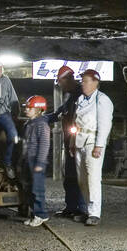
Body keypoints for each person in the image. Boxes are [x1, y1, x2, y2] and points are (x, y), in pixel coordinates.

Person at [73, 68, 113, 226]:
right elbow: (75, 122)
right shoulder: (81, 99)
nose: (82, 83)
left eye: (85, 81)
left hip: (92, 142)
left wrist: (99, 145)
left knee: (93, 178)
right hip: (79, 141)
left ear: (95, 82)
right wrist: (72, 143)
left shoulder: (102, 100)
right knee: (82, 179)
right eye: (82, 80)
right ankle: (87, 211)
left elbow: (105, 124)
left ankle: (95, 213)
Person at [44, 65, 85, 218]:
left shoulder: (82, 95)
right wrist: (42, 119)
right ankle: (71, 207)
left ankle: (82, 209)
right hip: (69, 142)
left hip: (80, 142)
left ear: (68, 79)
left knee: (79, 176)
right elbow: (59, 112)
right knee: (69, 176)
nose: (59, 85)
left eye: (60, 82)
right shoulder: (70, 97)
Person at [20, 95, 51, 227]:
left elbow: (44, 144)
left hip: (36, 161)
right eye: (26, 107)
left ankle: (41, 215)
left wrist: (40, 163)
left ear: (38, 110)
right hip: (28, 159)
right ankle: (34, 214)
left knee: (37, 189)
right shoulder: (29, 124)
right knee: (29, 188)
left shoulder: (41, 125)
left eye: (30, 108)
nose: (26, 110)